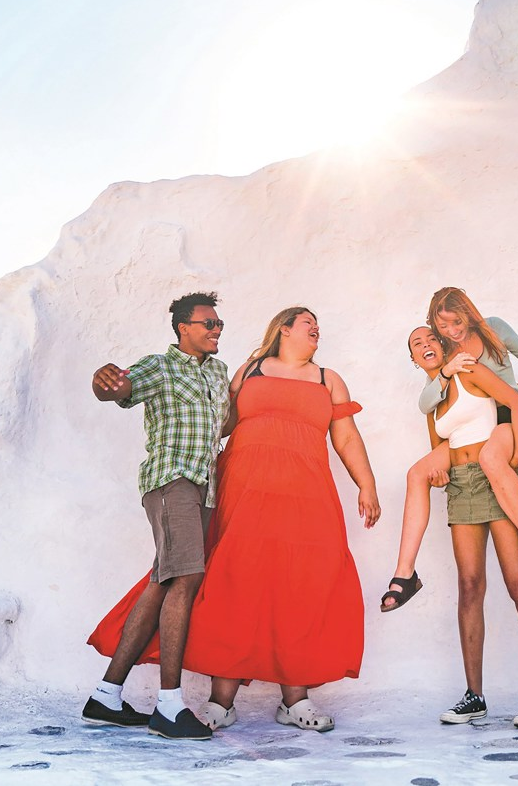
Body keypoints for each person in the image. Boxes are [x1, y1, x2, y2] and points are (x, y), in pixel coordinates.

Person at [89, 306, 381, 735]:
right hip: (242, 489)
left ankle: (295, 699)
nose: (316, 327)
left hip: (306, 493)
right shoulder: (250, 370)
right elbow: (217, 423)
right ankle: (220, 701)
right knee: (234, 582)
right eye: (308, 322)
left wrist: (366, 484)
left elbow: (347, 436)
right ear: (284, 329)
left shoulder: (327, 379)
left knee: (298, 585)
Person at [82, 291, 231, 741]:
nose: (217, 329)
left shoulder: (219, 372)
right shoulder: (160, 366)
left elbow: (226, 423)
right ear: (184, 328)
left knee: (163, 581)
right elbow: (117, 389)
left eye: (219, 323)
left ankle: (106, 696)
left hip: (205, 489)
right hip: (171, 481)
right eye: (208, 323)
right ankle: (169, 706)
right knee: (186, 578)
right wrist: (103, 380)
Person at [400, 326, 518, 728]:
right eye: (417, 344)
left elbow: (515, 402)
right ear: (414, 360)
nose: (425, 345)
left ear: (442, 346)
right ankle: (474, 696)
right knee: (469, 587)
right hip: (460, 486)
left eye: (430, 339)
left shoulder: (468, 370)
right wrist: (438, 476)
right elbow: (439, 450)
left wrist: (515, 455)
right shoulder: (432, 403)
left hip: (493, 479)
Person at [381, 288, 518, 609]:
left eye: (456, 322)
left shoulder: (493, 329)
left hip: (508, 418)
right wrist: (446, 371)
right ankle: (405, 573)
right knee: (416, 473)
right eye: (443, 327)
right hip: (472, 429)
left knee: (491, 457)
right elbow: (428, 401)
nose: (452, 331)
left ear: (468, 313)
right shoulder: (445, 352)